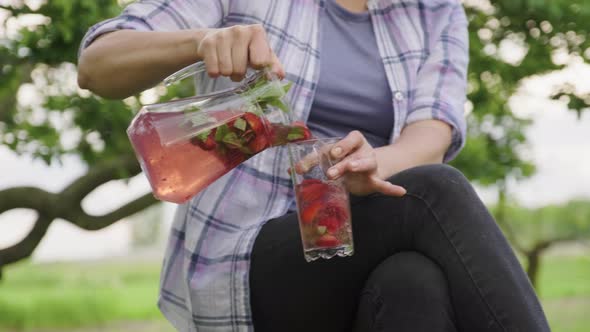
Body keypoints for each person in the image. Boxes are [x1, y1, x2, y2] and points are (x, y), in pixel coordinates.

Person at [78, 0, 550, 331]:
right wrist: (202, 40)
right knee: (436, 191)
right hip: (251, 252)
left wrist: (367, 164)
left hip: (361, 241)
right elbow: (97, 66)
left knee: (413, 282)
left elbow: (431, 134)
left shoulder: (436, 10)